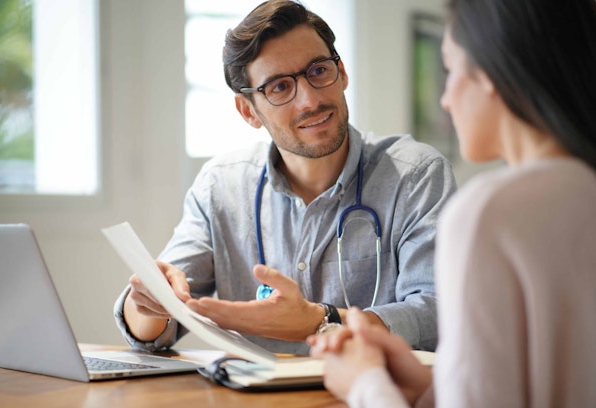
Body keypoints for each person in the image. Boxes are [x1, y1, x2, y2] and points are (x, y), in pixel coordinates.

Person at [113, 0, 456, 355]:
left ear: (342, 72)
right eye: (279, 87)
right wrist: (150, 301)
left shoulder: (415, 176)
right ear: (248, 111)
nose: (310, 100)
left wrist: (320, 321)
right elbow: (153, 326)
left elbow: (438, 313)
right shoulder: (221, 188)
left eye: (319, 71)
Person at [308, 0, 596, 406]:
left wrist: (364, 384)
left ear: (492, 73)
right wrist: (428, 389)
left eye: (451, 69)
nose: (445, 98)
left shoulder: (490, 212)